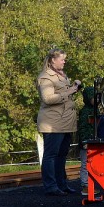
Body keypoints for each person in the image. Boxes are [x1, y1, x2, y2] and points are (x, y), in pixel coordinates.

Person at [37, 47, 81, 196]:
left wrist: (74, 87)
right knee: (51, 154)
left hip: (65, 122)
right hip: (52, 122)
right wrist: (68, 91)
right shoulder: (46, 77)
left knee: (62, 154)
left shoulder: (62, 76)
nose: (64, 61)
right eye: (62, 59)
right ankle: (50, 186)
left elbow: (63, 94)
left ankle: (62, 184)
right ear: (52, 60)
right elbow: (47, 98)